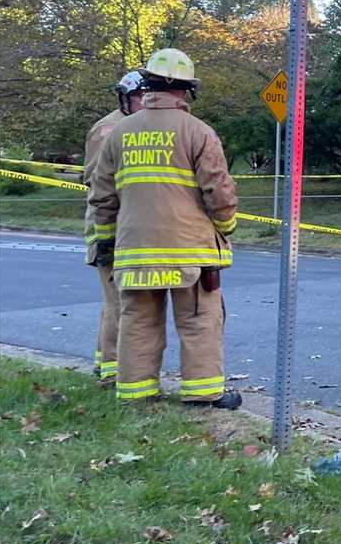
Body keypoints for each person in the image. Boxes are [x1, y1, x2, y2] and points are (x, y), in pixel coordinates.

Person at [88, 48, 241, 409]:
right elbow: (218, 190)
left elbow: (102, 196)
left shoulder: (117, 133)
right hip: (191, 252)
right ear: (186, 91)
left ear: (148, 85)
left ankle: (136, 394)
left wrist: (107, 241)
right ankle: (203, 393)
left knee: (138, 321)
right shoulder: (199, 132)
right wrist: (226, 225)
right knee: (199, 320)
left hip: (135, 251)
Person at [83, 71, 146, 386]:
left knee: (121, 300)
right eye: (139, 97)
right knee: (117, 301)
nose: (145, 102)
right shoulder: (109, 129)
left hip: (127, 225)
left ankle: (104, 362)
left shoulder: (139, 126)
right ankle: (111, 370)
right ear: (125, 98)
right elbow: (98, 184)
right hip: (106, 225)